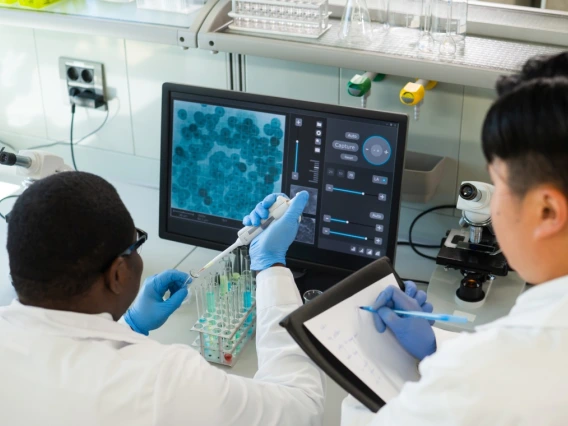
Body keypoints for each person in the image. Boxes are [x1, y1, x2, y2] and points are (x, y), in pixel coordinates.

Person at [252, 51, 568, 425]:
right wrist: (436, 347)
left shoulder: (475, 381)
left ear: (547, 211)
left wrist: (376, 369)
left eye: (497, 183)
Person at [0, 172, 324, 426]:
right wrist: (271, 265)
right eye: (136, 243)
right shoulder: (166, 380)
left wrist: (129, 327)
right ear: (117, 275)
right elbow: (302, 408)